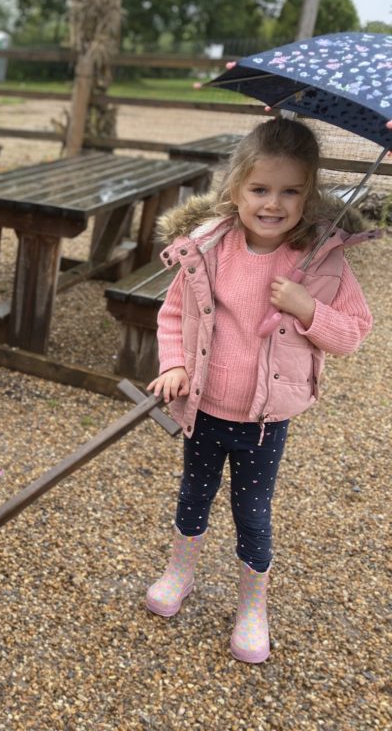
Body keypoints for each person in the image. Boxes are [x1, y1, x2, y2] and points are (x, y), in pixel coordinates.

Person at [144, 117, 378, 663]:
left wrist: (308, 308)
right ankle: (180, 571)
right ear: (235, 190)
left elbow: (352, 334)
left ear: (310, 193)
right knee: (193, 495)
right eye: (260, 189)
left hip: (265, 420)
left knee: (252, 510)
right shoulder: (208, 248)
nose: (274, 204)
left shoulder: (322, 262)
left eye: (291, 191)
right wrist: (175, 364)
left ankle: (253, 603)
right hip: (202, 409)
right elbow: (173, 314)